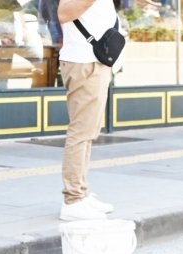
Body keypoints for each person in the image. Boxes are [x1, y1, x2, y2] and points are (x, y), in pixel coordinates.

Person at [56, 0, 122, 221]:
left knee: (88, 132)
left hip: (92, 61)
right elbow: (64, 12)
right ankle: (73, 200)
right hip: (85, 62)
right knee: (81, 132)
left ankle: (81, 193)